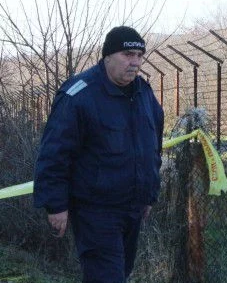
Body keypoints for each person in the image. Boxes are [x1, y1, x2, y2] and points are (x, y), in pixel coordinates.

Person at [34, 26, 164, 282]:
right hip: (96, 211)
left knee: (119, 274)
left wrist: (150, 192)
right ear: (107, 56)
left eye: (139, 55)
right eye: (128, 54)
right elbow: (54, 153)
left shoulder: (144, 93)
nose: (135, 62)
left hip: (132, 208)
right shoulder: (80, 94)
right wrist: (56, 205)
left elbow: (153, 146)